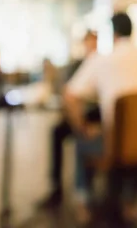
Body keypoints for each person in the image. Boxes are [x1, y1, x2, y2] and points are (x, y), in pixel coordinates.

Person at [65, 13, 137, 224]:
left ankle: (84, 201)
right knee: (135, 145)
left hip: (116, 145)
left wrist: (82, 126)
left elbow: (70, 94)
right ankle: (130, 201)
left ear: (113, 33)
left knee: (83, 142)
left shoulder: (102, 58)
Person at [38, 31, 99, 208]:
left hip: (95, 116)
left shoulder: (100, 62)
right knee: (59, 131)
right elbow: (68, 93)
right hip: (80, 116)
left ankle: (84, 195)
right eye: (88, 41)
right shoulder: (77, 65)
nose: (91, 45)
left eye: (93, 41)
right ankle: (58, 188)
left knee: (85, 139)